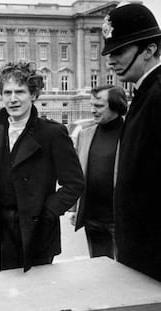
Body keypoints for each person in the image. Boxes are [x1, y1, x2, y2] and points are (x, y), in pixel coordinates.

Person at [0, 61, 84, 271]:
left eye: (20, 92)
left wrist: (48, 213)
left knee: (38, 295)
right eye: (7, 92)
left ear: (34, 95)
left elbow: (74, 183)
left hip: (37, 228)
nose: (13, 99)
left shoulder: (52, 133)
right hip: (6, 227)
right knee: (11, 292)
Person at [101, 3, 161, 280]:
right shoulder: (146, 93)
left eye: (119, 51)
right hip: (142, 252)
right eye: (110, 53)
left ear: (149, 50)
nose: (111, 60)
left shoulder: (157, 94)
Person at [68, 85, 127, 259]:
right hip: (92, 217)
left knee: (124, 273)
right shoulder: (85, 134)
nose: (92, 110)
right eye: (91, 105)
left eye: (99, 106)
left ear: (116, 106)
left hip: (120, 219)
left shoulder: (130, 133)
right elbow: (77, 173)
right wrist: (74, 208)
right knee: (100, 270)